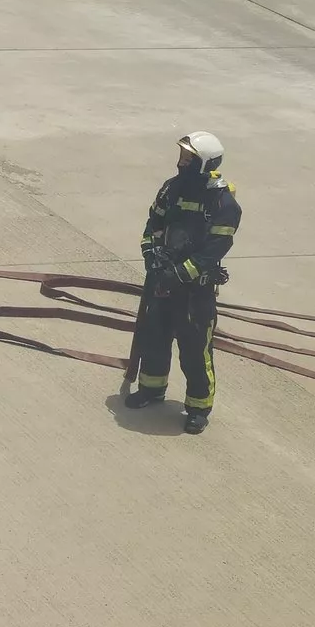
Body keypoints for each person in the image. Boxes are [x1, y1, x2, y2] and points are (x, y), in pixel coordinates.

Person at [126, 131, 242, 433]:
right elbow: (154, 223)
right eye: (182, 156)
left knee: (195, 351)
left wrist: (179, 274)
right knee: (154, 337)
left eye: (188, 158)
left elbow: (213, 251)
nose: (181, 163)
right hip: (162, 280)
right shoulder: (172, 189)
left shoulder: (223, 203)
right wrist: (152, 258)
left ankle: (198, 408)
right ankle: (152, 388)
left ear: (205, 164)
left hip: (195, 291)